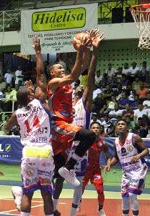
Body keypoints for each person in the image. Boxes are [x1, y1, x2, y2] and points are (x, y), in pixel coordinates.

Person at [4, 36, 54, 216]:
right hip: (45, 151)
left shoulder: (17, 113)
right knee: (47, 194)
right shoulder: (40, 102)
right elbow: (41, 74)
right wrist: (38, 51)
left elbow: (5, 128)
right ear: (32, 96)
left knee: (28, 192)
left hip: (29, 152)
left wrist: (15, 126)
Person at [47, 30, 103, 188]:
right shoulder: (53, 84)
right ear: (52, 73)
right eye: (58, 67)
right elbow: (73, 75)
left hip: (64, 126)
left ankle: (65, 171)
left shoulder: (67, 85)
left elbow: (82, 68)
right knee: (89, 136)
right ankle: (68, 168)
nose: (61, 68)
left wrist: (89, 49)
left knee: (56, 172)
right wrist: (80, 51)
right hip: (58, 124)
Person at [67, 31, 103, 216]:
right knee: (54, 179)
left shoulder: (84, 104)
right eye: (75, 88)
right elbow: (76, 75)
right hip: (64, 146)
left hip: (80, 151)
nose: (78, 88)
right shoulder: (66, 106)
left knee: (78, 185)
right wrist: (81, 53)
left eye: (80, 88)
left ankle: (73, 213)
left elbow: (89, 77)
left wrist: (93, 52)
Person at [109, 120, 149, 216]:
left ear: (127, 127)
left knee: (132, 194)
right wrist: (109, 164)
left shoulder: (134, 137)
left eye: (123, 124)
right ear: (116, 128)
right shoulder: (116, 142)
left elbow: (146, 150)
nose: (120, 126)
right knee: (125, 196)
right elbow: (116, 157)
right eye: (118, 124)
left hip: (138, 170)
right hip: (126, 173)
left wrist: (138, 156)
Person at [81, 122, 111, 216]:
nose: (95, 129)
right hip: (84, 170)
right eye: (93, 127)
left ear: (100, 130)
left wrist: (108, 164)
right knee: (80, 190)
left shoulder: (103, 143)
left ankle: (100, 209)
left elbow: (108, 157)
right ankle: (77, 202)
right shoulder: (84, 141)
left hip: (95, 171)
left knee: (100, 191)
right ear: (90, 129)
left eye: (97, 128)